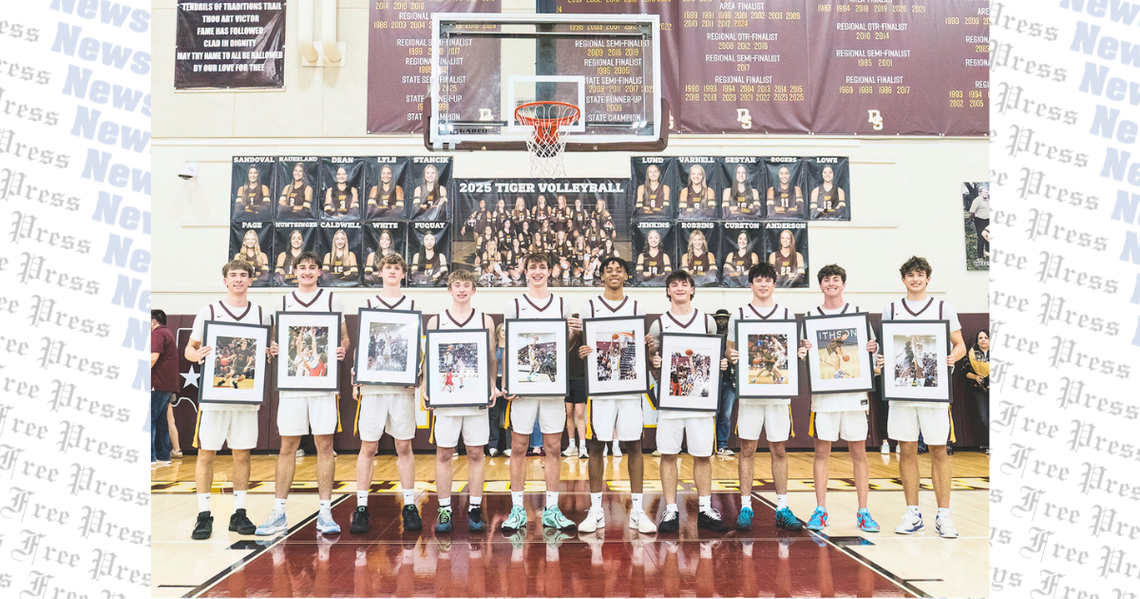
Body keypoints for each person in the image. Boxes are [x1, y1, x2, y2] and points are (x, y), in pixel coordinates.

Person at [256, 252, 350, 536]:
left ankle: (325, 511)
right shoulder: (282, 302)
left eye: (312, 267)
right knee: (288, 446)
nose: (307, 271)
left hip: (322, 383)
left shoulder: (333, 300)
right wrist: (273, 349)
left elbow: (344, 336)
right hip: (293, 385)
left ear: (320, 271)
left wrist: (342, 348)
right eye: (302, 268)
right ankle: (279, 511)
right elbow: (277, 341)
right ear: (294, 272)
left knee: (324, 444)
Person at [184, 260, 277, 540]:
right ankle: (203, 514)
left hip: (246, 396)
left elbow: (265, 353)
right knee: (206, 454)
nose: (238, 279)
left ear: (251, 281)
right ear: (225, 280)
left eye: (243, 275)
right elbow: (190, 348)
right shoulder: (209, 311)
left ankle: (239, 512)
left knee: (242, 454)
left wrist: (271, 350)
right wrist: (196, 355)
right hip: (214, 397)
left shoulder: (261, 314)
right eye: (233, 275)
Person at [881, 256, 967, 539]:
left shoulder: (944, 307)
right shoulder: (892, 309)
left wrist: (950, 357)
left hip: (935, 392)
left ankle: (944, 515)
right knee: (906, 450)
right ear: (903, 280)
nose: (915, 279)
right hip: (902, 391)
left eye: (920, 274)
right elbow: (888, 350)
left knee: (938, 450)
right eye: (910, 275)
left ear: (928, 278)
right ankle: (913, 512)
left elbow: (961, 346)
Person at [575, 256, 657, 534]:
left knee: (634, 444)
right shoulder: (589, 306)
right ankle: (596, 511)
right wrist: (581, 349)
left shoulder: (637, 305)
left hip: (629, 384)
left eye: (618, 270)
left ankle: (637, 510)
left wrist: (647, 343)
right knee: (596, 445)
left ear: (625, 276)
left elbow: (638, 345)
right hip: (600, 386)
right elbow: (579, 344)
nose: (613, 274)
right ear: (602, 277)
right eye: (608, 270)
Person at [796, 264, 881, 534]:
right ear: (820, 285)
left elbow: (873, 352)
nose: (831, 283)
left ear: (843, 284)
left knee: (859, 453)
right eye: (826, 279)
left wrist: (873, 348)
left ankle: (863, 511)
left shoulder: (857, 315)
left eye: (836, 279)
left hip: (855, 395)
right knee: (821, 452)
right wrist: (803, 350)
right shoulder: (811, 317)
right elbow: (803, 356)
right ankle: (821, 510)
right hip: (825, 397)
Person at [501, 252, 580, 533]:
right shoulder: (514, 305)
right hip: (523, 385)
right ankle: (517, 509)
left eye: (542, 267)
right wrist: (506, 381)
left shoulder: (562, 303)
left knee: (554, 447)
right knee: (519, 446)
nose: (537, 272)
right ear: (525, 271)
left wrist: (573, 334)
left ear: (550, 272)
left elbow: (564, 349)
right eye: (532, 267)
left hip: (551, 385)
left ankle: (552, 509)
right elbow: (509, 347)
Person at [723, 263, 804, 531]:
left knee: (779, 449)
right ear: (751, 284)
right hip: (749, 393)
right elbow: (730, 351)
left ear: (774, 284)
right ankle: (746, 506)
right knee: (746, 450)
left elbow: (792, 350)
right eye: (758, 280)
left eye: (768, 280)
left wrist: (799, 354)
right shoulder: (739, 315)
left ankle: (782, 506)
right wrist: (731, 356)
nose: (763, 284)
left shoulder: (786, 313)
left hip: (778, 394)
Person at [648, 270, 729, 532]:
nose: (680, 288)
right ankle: (671, 510)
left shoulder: (707, 322)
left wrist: (721, 364)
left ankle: (705, 508)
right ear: (668, 291)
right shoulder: (658, 324)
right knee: (669, 455)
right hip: (671, 400)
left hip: (700, 401)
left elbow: (712, 359)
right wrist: (654, 363)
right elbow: (655, 368)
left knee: (703, 454)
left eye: (685, 284)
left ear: (692, 289)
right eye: (674, 284)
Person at [350, 254, 423, 534]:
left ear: (403, 273)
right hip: (373, 387)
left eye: (397, 267)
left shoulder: (413, 305)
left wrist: (417, 372)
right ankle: (362, 507)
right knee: (368, 447)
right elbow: (360, 346)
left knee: (404, 446)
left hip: (401, 388)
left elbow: (417, 347)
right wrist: (355, 378)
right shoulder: (368, 305)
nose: (392, 271)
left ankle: (408, 504)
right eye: (388, 268)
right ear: (380, 273)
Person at [425, 270, 499, 533]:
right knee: (444, 453)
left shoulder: (485, 320)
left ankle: (475, 508)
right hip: (447, 399)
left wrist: (492, 384)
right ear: (449, 290)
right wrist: (427, 388)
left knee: (476, 453)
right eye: (457, 285)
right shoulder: (436, 321)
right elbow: (430, 360)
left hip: (475, 396)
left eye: (467, 285)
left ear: (474, 290)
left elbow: (491, 358)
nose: (462, 289)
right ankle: (444, 509)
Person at [151, 310, 178, 466]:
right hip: (167, 385)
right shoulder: (168, 333)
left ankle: (150, 458)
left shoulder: (157, 334)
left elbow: (153, 357)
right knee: (162, 421)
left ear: (154, 321)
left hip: (158, 384)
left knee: (150, 420)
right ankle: (163, 457)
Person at [711, 309, 735, 457]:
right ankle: (709, 444)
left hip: (730, 381)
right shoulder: (711, 338)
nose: (721, 321)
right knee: (712, 414)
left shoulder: (733, 340)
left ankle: (722, 445)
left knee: (725, 415)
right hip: (713, 382)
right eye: (718, 319)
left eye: (724, 319)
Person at [962, 329, 989, 452]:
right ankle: (988, 445)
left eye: (986, 337)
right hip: (978, 390)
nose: (983, 340)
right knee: (983, 418)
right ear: (977, 341)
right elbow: (964, 371)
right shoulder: (972, 353)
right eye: (980, 338)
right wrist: (975, 377)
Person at [489, 323, 508, 456]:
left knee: (508, 416)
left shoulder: (512, 347)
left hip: (508, 383)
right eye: (502, 330)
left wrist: (506, 386)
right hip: (494, 381)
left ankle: (509, 447)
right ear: (497, 332)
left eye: (506, 330)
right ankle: (492, 446)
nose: (504, 332)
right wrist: (494, 386)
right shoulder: (493, 348)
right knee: (494, 416)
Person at [967, 184, 989, 262]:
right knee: (981, 237)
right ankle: (980, 256)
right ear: (980, 193)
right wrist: (973, 219)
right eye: (984, 193)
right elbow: (972, 211)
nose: (986, 194)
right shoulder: (977, 200)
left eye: (987, 192)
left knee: (988, 237)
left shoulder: (988, 200)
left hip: (988, 221)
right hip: (979, 220)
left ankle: (987, 252)